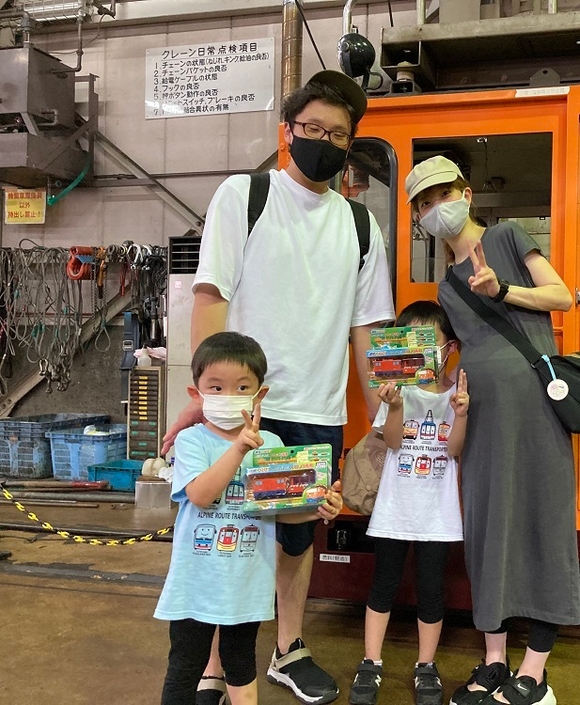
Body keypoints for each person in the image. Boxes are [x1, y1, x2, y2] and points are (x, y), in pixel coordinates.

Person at [162, 70, 395, 705]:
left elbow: (368, 331)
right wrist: (206, 400)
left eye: (339, 134)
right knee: (226, 531)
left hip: (317, 409)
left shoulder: (361, 226)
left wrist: (383, 421)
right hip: (244, 409)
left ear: (350, 144)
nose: (325, 141)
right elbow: (211, 295)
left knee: (297, 537)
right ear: (287, 131)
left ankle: (288, 649)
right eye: (313, 128)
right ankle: (215, 663)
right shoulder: (245, 195)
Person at [404, 156, 578, 705]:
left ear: (467, 193)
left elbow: (561, 296)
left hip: (536, 409)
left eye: (442, 195)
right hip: (480, 416)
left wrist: (502, 290)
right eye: (424, 204)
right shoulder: (445, 288)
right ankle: (496, 659)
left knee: (543, 523)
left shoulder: (507, 236)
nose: (436, 208)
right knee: (486, 530)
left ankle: (535, 669)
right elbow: (453, 356)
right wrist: (407, 387)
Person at [155, 332, 343, 705]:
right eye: (216, 387)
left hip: (248, 583)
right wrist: (239, 447)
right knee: (185, 666)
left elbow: (278, 513)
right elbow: (201, 495)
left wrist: (317, 508)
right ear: (197, 394)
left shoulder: (271, 446)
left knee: (241, 661)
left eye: (242, 387)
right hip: (195, 584)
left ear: (259, 396)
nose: (229, 396)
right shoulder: (192, 441)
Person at [349, 301, 468, 705]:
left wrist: (461, 414)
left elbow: (454, 450)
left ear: (449, 347)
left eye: (428, 342)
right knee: (382, 585)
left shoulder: (457, 393)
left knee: (431, 590)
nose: (419, 351)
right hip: (394, 509)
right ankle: (371, 662)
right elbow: (394, 442)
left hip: (438, 515)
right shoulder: (397, 391)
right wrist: (396, 406)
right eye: (410, 342)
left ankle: (426, 665)